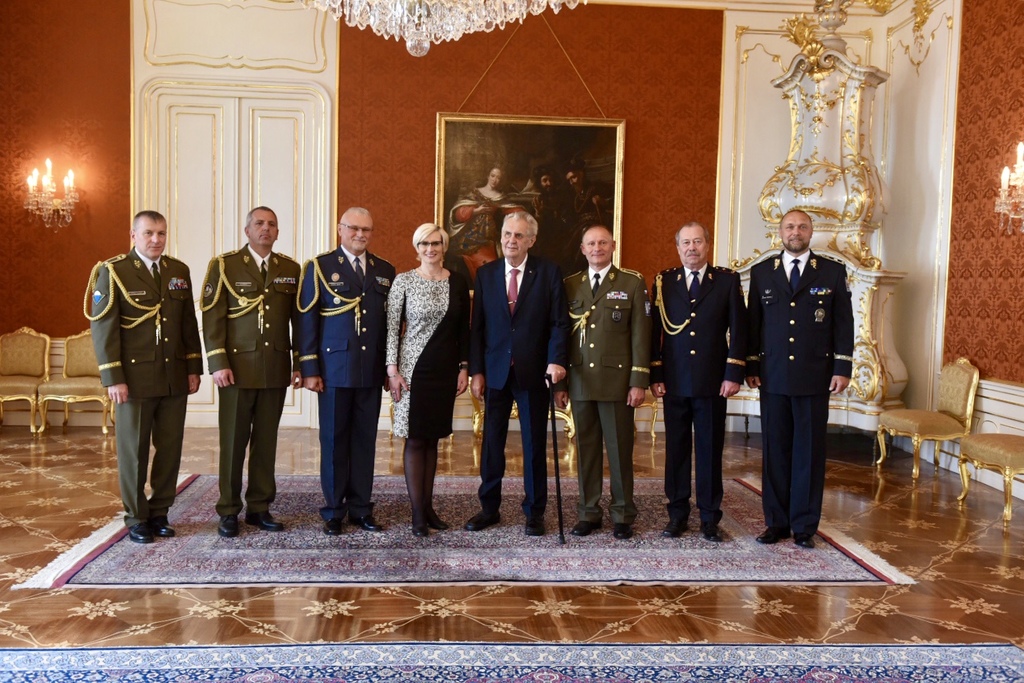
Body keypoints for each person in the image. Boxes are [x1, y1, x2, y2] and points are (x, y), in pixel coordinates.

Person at [85, 210, 203, 544]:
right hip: (134, 380)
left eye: (161, 233)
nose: (156, 240)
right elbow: (103, 328)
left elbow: (186, 326)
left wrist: (193, 367)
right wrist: (113, 378)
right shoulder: (114, 272)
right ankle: (136, 517)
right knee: (134, 451)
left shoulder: (178, 271)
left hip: (173, 376)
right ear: (133, 235)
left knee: (170, 449)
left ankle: (160, 511)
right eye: (149, 233)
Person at [745, 209, 854, 549]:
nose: (796, 231)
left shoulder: (833, 272)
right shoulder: (763, 272)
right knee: (775, 451)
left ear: (811, 232)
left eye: (802, 227)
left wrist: (842, 368)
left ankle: (804, 526)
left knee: (808, 452)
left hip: (814, 377)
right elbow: (753, 325)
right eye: (790, 226)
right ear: (780, 232)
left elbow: (843, 324)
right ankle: (776, 523)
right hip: (773, 376)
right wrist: (750, 366)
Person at [465, 211, 570, 536]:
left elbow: (559, 322)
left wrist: (556, 361)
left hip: (534, 372)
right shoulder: (487, 274)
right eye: (507, 234)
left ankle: (535, 511)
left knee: (534, 443)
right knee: (492, 444)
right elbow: (477, 327)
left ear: (531, 240)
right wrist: (477, 372)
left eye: (518, 236)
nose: (511, 240)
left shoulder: (549, 272)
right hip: (495, 372)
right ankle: (489, 508)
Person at [200, 206, 302, 538]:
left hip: (274, 368)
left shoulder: (290, 269)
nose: (266, 229)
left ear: (278, 231)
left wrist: (299, 363)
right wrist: (218, 362)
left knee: (266, 442)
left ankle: (259, 507)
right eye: (259, 223)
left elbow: (299, 323)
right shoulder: (225, 265)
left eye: (272, 224)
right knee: (232, 442)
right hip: (236, 370)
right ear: (247, 230)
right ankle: (228, 510)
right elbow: (212, 316)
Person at [297, 207, 395, 536]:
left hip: (370, 370)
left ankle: (361, 508)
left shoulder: (384, 269)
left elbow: (388, 326)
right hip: (334, 370)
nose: (360, 235)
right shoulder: (320, 267)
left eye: (366, 229)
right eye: (353, 228)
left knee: (365, 441)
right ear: (340, 229)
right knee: (335, 441)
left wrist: (388, 367)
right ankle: (334, 510)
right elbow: (307, 320)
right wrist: (309, 368)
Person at [649, 221, 747, 542]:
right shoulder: (664, 282)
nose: (692, 248)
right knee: (676, 452)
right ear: (678, 248)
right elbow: (655, 335)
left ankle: (709, 518)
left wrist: (733, 373)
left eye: (698, 242)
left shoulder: (727, 282)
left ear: (708, 245)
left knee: (708, 450)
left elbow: (739, 330)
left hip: (712, 382)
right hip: (674, 382)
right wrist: (656, 374)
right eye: (686, 243)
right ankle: (677, 514)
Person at [554, 224, 651, 540]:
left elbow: (640, 336)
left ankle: (623, 513)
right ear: (582, 249)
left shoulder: (631, 283)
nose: (597, 248)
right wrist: (560, 385)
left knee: (620, 451)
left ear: (613, 246)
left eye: (602, 243)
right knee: (586, 450)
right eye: (591, 244)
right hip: (580, 380)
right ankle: (588, 512)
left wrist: (638, 381)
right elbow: (562, 338)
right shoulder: (570, 285)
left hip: (617, 383)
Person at [386, 224, 471, 536]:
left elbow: (464, 329)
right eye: (424, 243)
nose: (430, 249)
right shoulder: (404, 282)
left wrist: (464, 367)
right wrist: (391, 370)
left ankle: (428, 506)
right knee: (416, 438)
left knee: (433, 438)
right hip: (413, 369)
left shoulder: (459, 281)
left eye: (435, 243)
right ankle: (417, 513)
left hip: (445, 370)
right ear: (416, 247)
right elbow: (392, 329)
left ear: (444, 246)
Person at [446, 166, 522, 282]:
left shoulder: (501, 197)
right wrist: (475, 211)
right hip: (469, 238)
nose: (495, 180)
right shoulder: (475, 193)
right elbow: (458, 213)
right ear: (488, 176)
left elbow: (513, 210)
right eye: (493, 176)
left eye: (498, 178)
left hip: (488, 240)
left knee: (492, 264)